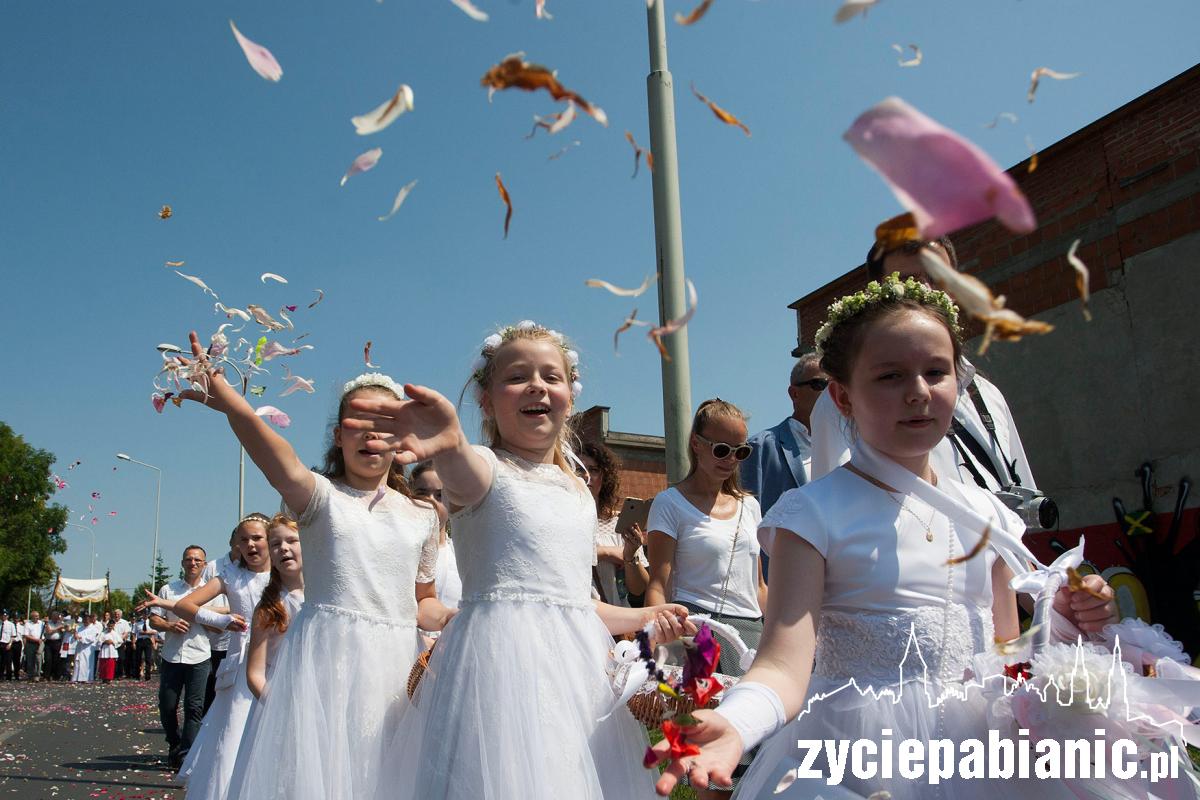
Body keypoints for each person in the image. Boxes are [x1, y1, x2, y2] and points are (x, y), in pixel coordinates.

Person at [647, 274, 1135, 800]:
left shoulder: (984, 511)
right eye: (890, 376)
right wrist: (739, 723)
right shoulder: (812, 514)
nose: (918, 392)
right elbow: (785, 663)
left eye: (936, 372)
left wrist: (1066, 623)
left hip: (982, 750)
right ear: (842, 395)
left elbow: (1006, 650)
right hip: (861, 752)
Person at [356, 320, 694, 800]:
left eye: (551, 377)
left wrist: (646, 614)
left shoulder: (577, 491)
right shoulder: (485, 466)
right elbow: (461, 473)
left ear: (570, 398)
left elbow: (577, 601)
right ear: (486, 400)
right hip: (495, 671)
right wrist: (449, 443)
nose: (536, 385)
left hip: (575, 673)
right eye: (517, 376)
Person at [164, 336, 450, 800]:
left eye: (385, 422)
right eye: (357, 422)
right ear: (338, 435)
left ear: (401, 436)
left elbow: (425, 603)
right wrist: (226, 395)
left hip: (397, 668)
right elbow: (268, 447)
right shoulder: (318, 496)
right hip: (326, 666)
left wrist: (456, 618)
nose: (371, 434)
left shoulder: (422, 517)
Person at [810, 237, 1040, 500]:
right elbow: (832, 505)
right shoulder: (846, 403)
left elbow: (1026, 488)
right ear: (882, 292)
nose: (928, 291)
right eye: (909, 280)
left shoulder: (988, 394)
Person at [152, 516, 269, 799]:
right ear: (236, 545)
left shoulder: (286, 573)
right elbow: (185, 605)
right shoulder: (230, 576)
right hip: (241, 661)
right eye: (244, 540)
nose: (250, 545)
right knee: (234, 734)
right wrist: (223, 620)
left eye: (257, 538)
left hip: (279, 658)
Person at [148, 546, 215, 770]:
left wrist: (198, 617)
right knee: (167, 706)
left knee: (194, 707)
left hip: (200, 656)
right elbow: (154, 621)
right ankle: (174, 743)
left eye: (198, 560)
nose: (193, 563)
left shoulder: (211, 592)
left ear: (204, 564)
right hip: (172, 656)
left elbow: (218, 627)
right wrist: (170, 625)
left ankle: (187, 753)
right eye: (189, 559)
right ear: (182, 563)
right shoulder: (169, 589)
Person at [242, 515, 305, 701]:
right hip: (280, 700)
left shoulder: (324, 596)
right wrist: (277, 708)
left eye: (292, 540)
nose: (284, 548)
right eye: (275, 544)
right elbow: (255, 674)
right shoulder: (269, 607)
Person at [580, 440, 649, 608]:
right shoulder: (556, 519)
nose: (586, 476)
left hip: (613, 623)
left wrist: (630, 555)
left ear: (604, 477)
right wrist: (606, 553)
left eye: (594, 470)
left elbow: (639, 589)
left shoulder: (619, 524)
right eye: (579, 469)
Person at [411, 461, 462, 614]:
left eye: (439, 495)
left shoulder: (460, 555)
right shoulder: (398, 550)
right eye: (422, 493)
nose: (430, 500)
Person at [200, 536, 240, 712]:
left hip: (237, 638)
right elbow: (198, 601)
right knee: (212, 683)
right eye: (241, 539)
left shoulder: (253, 567)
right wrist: (225, 612)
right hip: (213, 638)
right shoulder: (213, 567)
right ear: (231, 542)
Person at [71, 613, 101, 682]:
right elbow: (74, 638)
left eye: (87, 619)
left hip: (88, 648)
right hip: (79, 648)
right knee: (78, 661)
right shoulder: (79, 627)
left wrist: (80, 638)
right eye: (84, 619)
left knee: (86, 663)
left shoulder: (93, 628)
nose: (85, 621)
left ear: (90, 620)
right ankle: (76, 678)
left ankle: (86, 678)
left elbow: (91, 638)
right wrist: (75, 636)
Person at [21, 612, 44, 682]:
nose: (37, 617)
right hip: (31, 643)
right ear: (32, 617)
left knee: (38, 658)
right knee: (30, 659)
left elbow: (45, 632)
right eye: (36, 616)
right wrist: (36, 639)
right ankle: (30, 675)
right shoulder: (28, 624)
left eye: (38, 616)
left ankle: (37, 675)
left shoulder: (42, 623)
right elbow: (26, 635)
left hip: (40, 643)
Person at [134, 611, 156, 680]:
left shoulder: (151, 622)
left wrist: (146, 632)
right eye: (144, 614)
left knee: (148, 659)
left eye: (146, 614)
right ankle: (137, 675)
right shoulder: (138, 623)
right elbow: (134, 633)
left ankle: (147, 676)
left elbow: (155, 631)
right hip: (140, 641)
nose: (145, 615)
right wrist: (133, 643)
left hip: (147, 640)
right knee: (138, 658)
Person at [43, 611, 65, 680]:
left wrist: (60, 625)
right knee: (48, 659)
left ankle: (55, 675)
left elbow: (63, 631)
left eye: (57, 617)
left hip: (57, 642)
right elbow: (48, 631)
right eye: (54, 616)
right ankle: (47, 675)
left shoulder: (61, 623)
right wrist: (57, 628)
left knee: (56, 659)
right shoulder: (48, 623)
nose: (55, 618)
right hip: (49, 642)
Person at [111, 609, 131, 679]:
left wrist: (120, 639)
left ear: (121, 615)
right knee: (113, 659)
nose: (116, 615)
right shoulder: (111, 621)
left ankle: (120, 674)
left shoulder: (124, 622)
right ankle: (114, 674)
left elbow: (126, 632)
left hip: (121, 643)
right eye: (115, 614)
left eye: (118, 614)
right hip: (112, 643)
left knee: (121, 659)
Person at [0, 611, 17, 680]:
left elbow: (13, 635)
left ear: (7, 616)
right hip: (0, 643)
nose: (4, 617)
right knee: (1, 661)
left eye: (5, 615)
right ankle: (1, 676)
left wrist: (10, 644)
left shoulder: (11, 624)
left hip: (7, 643)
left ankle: (8, 676)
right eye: (2, 615)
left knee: (8, 661)